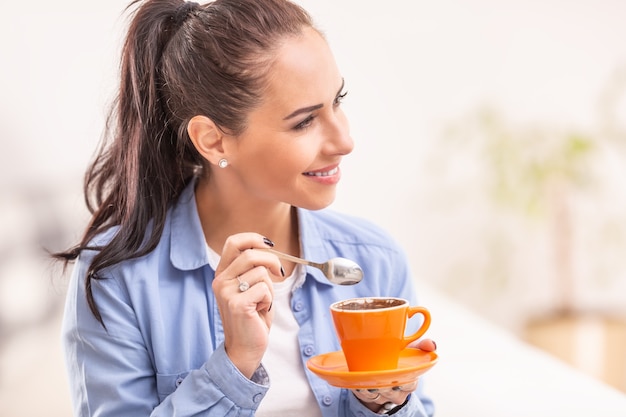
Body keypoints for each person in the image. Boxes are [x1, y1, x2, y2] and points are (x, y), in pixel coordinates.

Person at [55, 0, 437, 415]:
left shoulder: (373, 260)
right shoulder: (119, 280)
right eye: (304, 121)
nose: (344, 142)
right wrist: (234, 364)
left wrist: (382, 401)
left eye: (337, 101)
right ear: (214, 141)